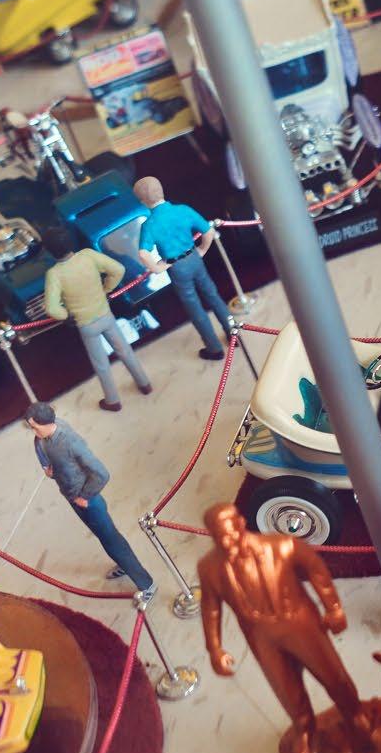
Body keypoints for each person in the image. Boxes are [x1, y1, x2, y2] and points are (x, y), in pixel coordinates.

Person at [196, 501, 365, 753]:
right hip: (261, 638)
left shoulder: (282, 545)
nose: (226, 542)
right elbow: (211, 608)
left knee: (332, 674)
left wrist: (333, 608)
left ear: (241, 524)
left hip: (301, 627)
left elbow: (316, 569)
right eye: (219, 537)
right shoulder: (209, 568)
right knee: (286, 688)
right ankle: (305, 728)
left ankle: (354, 714)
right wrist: (214, 648)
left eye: (229, 533)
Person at [26, 402, 153, 597]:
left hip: (88, 501)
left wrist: (84, 497)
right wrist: (50, 470)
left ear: (47, 423)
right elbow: (47, 458)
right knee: (105, 538)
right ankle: (124, 564)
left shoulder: (69, 442)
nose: (34, 432)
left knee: (111, 540)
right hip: (72, 496)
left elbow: (101, 474)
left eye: (35, 427)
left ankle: (146, 584)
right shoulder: (43, 439)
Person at [40, 223, 151, 412]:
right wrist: (107, 288)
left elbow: (51, 308)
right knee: (125, 350)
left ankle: (112, 400)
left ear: (50, 251)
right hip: (105, 313)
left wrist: (66, 315)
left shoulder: (54, 274)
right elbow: (118, 269)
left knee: (101, 364)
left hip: (85, 323)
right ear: (70, 242)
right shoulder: (88, 256)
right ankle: (144, 383)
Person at [132, 177, 235, 361]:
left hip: (177, 267)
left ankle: (214, 348)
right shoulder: (182, 210)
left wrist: (156, 268)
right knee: (213, 296)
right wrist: (202, 249)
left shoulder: (149, 225)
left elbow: (143, 253)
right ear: (161, 191)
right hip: (194, 257)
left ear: (142, 202)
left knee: (195, 308)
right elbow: (208, 231)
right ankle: (233, 334)